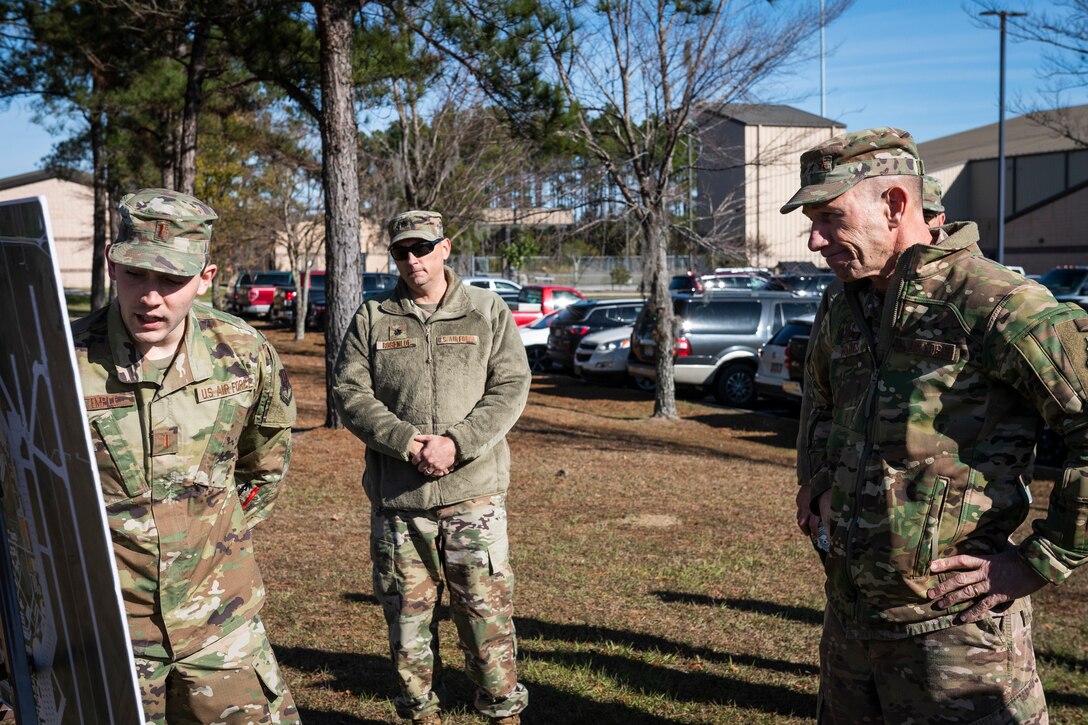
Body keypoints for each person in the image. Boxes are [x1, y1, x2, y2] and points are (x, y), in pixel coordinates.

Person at [783, 127, 1088, 723]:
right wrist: (815, 479)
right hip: (850, 626)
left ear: (895, 205)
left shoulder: (996, 302)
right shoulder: (844, 302)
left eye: (830, 218)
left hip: (957, 638)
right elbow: (820, 399)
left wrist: (1041, 560)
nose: (815, 241)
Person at [72, 189, 298, 724]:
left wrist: (206, 538)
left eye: (172, 279)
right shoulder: (60, 361)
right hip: (107, 633)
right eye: (136, 274)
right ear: (111, 265)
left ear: (205, 277)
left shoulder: (244, 354)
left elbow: (264, 466)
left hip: (220, 625)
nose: (151, 297)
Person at [333, 210, 530, 725]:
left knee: (485, 616)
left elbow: (510, 386)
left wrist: (457, 444)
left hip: (473, 498)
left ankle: (501, 710)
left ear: (445, 248)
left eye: (422, 248)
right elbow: (350, 392)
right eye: (402, 251)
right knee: (407, 620)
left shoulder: (485, 310)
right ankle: (421, 713)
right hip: (401, 501)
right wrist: (404, 442)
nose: (412, 259)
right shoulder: (373, 316)